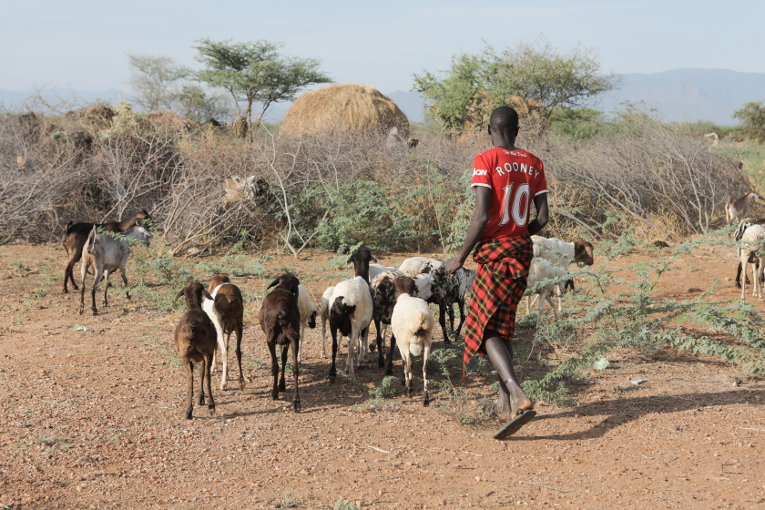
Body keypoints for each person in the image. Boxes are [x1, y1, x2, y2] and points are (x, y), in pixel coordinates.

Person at [444, 105, 548, 439]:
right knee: (503, 325)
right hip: (521, 252)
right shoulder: (534, 163)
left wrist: (459, 259)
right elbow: (543, 220)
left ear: (490, 129)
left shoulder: (485, 160)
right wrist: (518, 234)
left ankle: (518, 395)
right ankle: (504, 404)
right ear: (516, 130)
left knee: (483, 325)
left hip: (495, 255)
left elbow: (481, 218)